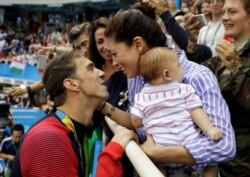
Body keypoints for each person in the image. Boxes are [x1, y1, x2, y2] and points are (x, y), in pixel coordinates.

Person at [100, 8, 235, 176]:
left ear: (138, 45)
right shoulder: (135, 77)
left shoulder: (197, 77)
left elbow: (224, 147)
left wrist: (157, 153)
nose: (113, 62)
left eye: (114, 54)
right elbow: (143, 127)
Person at [10, 50, 137, 177]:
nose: (102, 73)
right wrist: (112, 153)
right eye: (91, 69)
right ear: (71, 84)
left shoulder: (70, 130)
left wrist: (100, 104)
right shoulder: (48, 139)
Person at [130, 47, 223, 176]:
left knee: (155, 168)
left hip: (162, 151)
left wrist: (150, 122)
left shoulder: (141, 97)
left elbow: (135, 121)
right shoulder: (183, 89)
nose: (182, 69)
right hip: (189, 147)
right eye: (179, 66)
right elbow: (196, 111)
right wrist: (210, 129)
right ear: (167, 74)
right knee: (211, 164)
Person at [199, 0, 250, 176]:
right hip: (222, 156)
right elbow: (198, 73)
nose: (225, 17)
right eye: (224, 12)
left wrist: (237, 67)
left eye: (232, 12)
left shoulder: (233, 55)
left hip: (243, 164)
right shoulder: (228, 49)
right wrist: (191, 43)